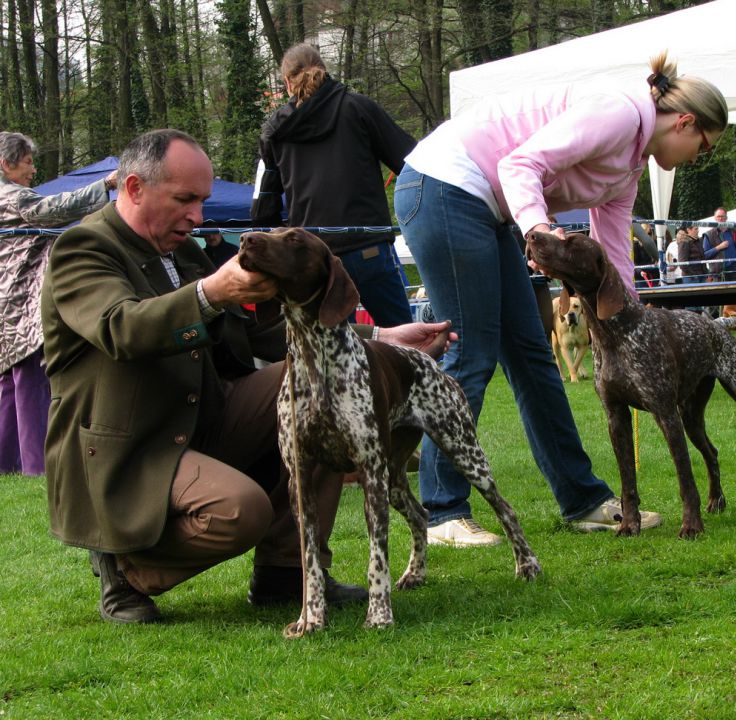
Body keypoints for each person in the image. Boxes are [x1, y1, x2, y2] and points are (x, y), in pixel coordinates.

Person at [41, 129, 455, 624]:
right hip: (134, 446)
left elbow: (262, 333)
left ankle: (288, 572)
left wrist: (380, 338)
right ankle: (126, 572)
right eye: (185, 199)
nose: (198, 216)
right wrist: (210, 292)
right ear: (133, 188)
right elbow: (120, 328)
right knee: (241, 509)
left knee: (321, 399)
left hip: (201, 418)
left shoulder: (183, 251)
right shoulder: (82, 248)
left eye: (202, 201)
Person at [394, 51, 727, 545]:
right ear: (685, 122)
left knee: (533, 357)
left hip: (486, 207)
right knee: (473, 351)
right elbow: (520, 162)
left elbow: (612, 245)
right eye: (705, 146)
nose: (700, 158)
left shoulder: (631, 161)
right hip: (444, 186)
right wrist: (540, 234)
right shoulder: (619, 113)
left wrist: (631, 326)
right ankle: (442, 512)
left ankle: (582, 499)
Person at [251, 43, 415, 327]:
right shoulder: (358, 108)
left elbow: (263, 204)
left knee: (329, 354)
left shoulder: (274, 130)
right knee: (410, 345)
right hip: (368, 246)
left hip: (313, 258)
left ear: (287, 82)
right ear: (324, 71)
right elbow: (413, 164)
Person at [0, 131, 117, 477]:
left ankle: (6, 462)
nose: (33, 169)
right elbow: (51, 210)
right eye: (28, 162)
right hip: (19, 304)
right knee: (30, 379)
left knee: (8, 382)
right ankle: (37, 465)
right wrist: (106, 185)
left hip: (7, 301)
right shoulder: (11, 196)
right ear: (6, 164)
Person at [701, 207, 736, 281]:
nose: (720, 219)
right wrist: (718, 247)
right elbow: (704, 255)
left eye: (722, 216)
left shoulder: (735, 232)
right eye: (718, 217)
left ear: (726, 217)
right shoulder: (709, 234)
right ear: (715, 218)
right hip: (717, 274)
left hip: (734, 271)